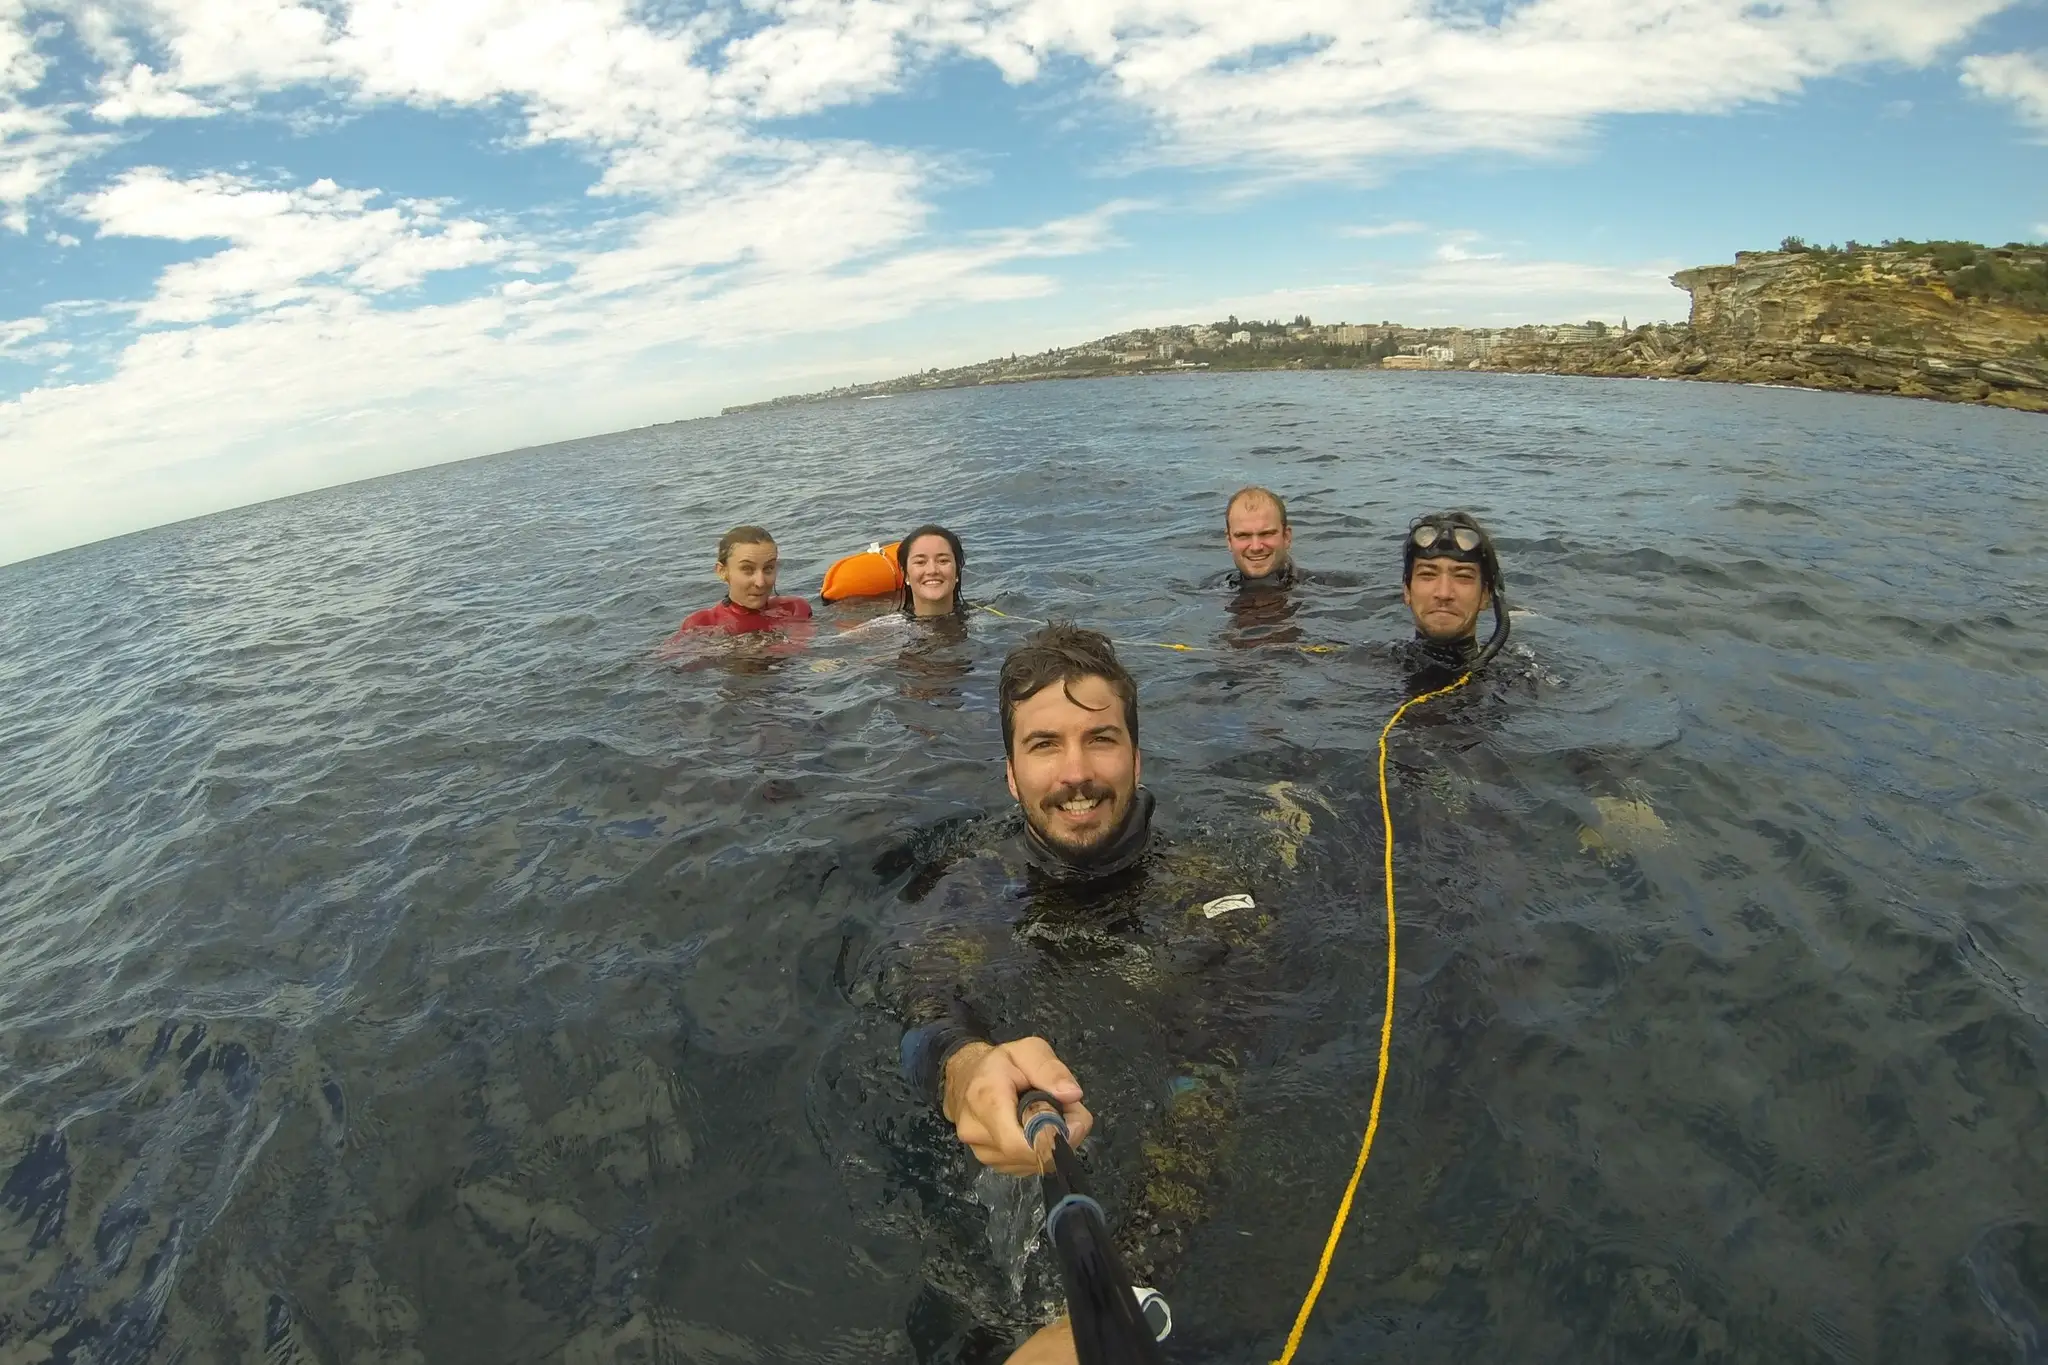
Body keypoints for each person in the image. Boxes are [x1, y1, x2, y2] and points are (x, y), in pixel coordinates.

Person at [867, 624, 1305, 1364]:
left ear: (1135, 755)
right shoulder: (969, 885)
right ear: (1010, 773)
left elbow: (1207, 1089)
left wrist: (1114, 1296)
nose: (1076, 772)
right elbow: (919, 992)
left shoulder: (1214, 900)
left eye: (1099, 738)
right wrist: (962, 1069)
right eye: (1044, 745)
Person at [661, 525, 813, 645]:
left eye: (768, 568)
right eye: (747, 569)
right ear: (722, 571)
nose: (760, 582)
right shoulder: (701, 625)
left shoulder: (795, 609)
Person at [1222, 486, 1296, 588]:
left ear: (1286, 537)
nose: (1256, 547)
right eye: (1243, 535)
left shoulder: (1320, 590)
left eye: (1266, 534)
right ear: (1229, 541)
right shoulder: (1211, 591)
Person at [898, 524, 967, 618]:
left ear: (957, 571)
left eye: (943, 561)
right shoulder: (882, 629)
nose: (932, 570)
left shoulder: (986, 617)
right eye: (920, 562)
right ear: (905, 574)